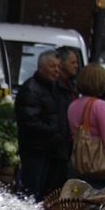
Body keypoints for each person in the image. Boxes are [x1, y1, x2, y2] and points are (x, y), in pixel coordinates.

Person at [15, 49, 69, 200]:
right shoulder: (31, 90)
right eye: (52, 66)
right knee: (31, 192)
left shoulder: (53, 88)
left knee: (42, 193)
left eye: (58, 66)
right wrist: (54, 130)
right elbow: (30, 122)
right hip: (35, 151)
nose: (57, 70)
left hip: (49, 151)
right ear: (40, 68)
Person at [67, 62, 105, 185]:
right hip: (97, 165)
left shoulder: (72, 105)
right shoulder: (100, 105)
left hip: (77, 164)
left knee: (77, 200)